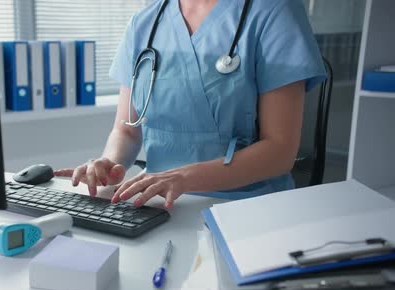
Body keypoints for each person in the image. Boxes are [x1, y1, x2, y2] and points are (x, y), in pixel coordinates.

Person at [54, 0, 326, 209]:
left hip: (248, 207)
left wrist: (184, 178)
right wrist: (108, 165)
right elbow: (127, 130)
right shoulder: (146, 22)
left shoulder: (274, 13)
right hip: (158, 204)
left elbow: (280, 151)